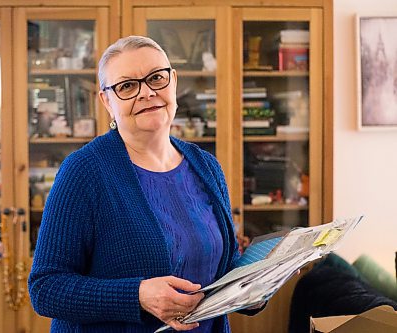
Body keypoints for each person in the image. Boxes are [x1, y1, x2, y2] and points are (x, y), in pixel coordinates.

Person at [28, 35, 262, 332]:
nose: (147, 92)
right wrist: (137, 295)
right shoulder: (84, 171)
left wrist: (257, 286)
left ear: (173, 82)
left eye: (156, 78)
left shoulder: (206, 166)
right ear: (106, 101)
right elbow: (45, 288)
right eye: (127, 86)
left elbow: (224, 265)